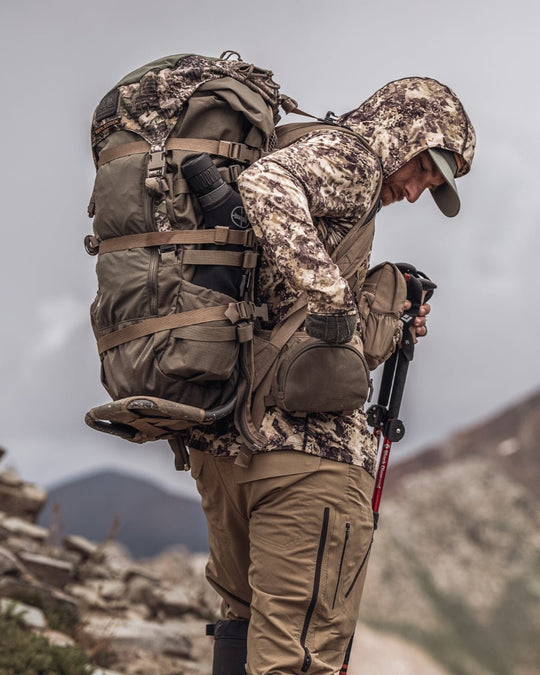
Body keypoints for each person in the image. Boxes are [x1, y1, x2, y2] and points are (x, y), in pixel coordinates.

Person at [186, 76, 476, 675]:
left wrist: (382, 309)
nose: (415, 192)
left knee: (244, 628)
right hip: (304, 456)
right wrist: (334, 301)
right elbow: (266, 186)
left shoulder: (308, 146)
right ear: (403, 132)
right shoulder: (355, 158)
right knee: (300, 653)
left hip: (229, 443)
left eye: (430, 185)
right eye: (423, 169)